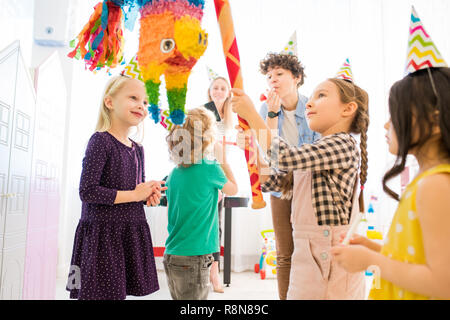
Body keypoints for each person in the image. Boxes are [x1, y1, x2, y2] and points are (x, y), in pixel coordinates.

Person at [232, 75, 369, 299]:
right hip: (306, 256)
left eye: (322, 95)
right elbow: (276, 181)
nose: (309, 102)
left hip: (329, 260)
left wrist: (252, 116)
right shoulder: (316, 149)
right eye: (312, 96)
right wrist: (252, 151)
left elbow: (284, 157)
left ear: (348, 109)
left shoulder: (343, 144)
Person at [331, 67, 450, 300]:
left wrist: (372, 261)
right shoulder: (426, 181)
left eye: (395, 114)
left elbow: (443, 282)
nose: (386, 125)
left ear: (435, 122)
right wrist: (373, 249)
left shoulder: (435, 186)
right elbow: (416, 258)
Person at [66, 75, 166, 300]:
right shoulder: (100, 141)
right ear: (109, 102)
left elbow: (133, 189)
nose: (141, 105)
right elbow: (88, 191)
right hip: (103, 237)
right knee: (98, 294)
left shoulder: (138, 149)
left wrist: (147, 194)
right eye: (133, 98)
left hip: (127, 231)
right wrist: (135, 194)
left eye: (145, 102)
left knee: (117, 293)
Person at [257, 52, 320, 299]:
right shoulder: (265, 108)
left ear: (297, 77)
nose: (273, 79)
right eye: (269, 75)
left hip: (311, 184)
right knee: (284, 252)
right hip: (280, 185)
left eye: (279, 74)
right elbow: (267, 150)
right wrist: (272, 115)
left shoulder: (313, 105)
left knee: (310, 248)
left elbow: (318, 147)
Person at [163, 107, 238, 300]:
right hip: (196, 256)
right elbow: (233, 189)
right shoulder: (210, 168)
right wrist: (223, 160)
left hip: (172, 255)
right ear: (207, 140)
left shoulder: (174, 174)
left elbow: (185, 203)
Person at [206, 76, 234, 293]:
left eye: (223, 88)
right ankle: (205, 271)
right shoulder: (204, 112)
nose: (218, 91)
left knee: (217, 228)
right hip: (207, 171)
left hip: (225, 172)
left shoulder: (233, 115)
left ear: (228, 92)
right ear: (209, 90)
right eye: (215, 87)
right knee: (205, 225)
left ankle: (215, 272)